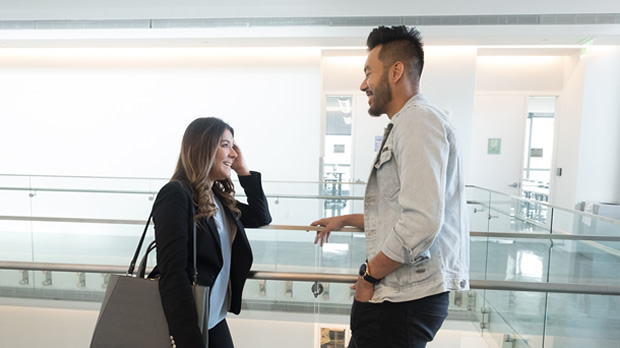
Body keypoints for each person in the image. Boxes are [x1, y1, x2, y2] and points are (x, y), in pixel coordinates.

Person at [311, 25, 469, 348]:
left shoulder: (417, 121)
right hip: (400, 297)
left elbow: (421, 221)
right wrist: (345, 220)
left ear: (396, 71)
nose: (363, 84)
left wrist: (368, 275)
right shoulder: (408, 123)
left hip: (403, 301)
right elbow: (400, 212)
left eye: (369, 72)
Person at [150, 117, 271, 347]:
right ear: (203, 148)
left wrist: (243, 170)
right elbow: (173, 274)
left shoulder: (217, 198)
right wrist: (190, 339)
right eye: (226, 145)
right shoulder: (176, 195)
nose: (233, 153)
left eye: (233, 146)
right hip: (191, 324)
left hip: (214, 318)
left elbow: (261, 216)